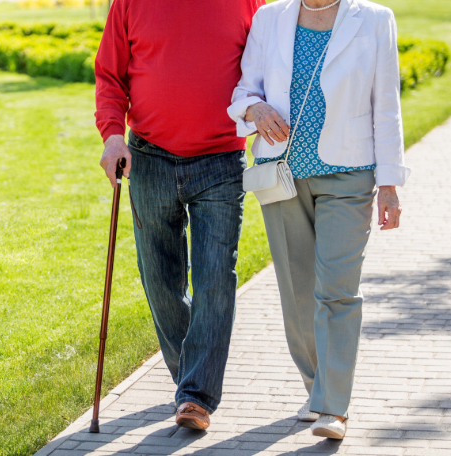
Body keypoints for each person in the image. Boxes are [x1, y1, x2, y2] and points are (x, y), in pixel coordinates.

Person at [227, 0, 410, 439]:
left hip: (348, 175)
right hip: (282, 173)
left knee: (337, 290)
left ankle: (334, 406)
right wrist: (256, 110)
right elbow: (242, 91)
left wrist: (388, 183)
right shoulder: (269, 18)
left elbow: (386, 105)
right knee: (297, 293)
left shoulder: (375, 19)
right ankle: (318, 387)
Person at [95, 0, 265, 431]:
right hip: (148, 156)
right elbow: (110, 75)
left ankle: (196, 396)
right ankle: (190, 376)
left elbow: (266, 70)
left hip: (221, 160)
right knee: (160, 280)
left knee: (214, 277)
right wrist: (114, 137)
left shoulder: (250, 3)